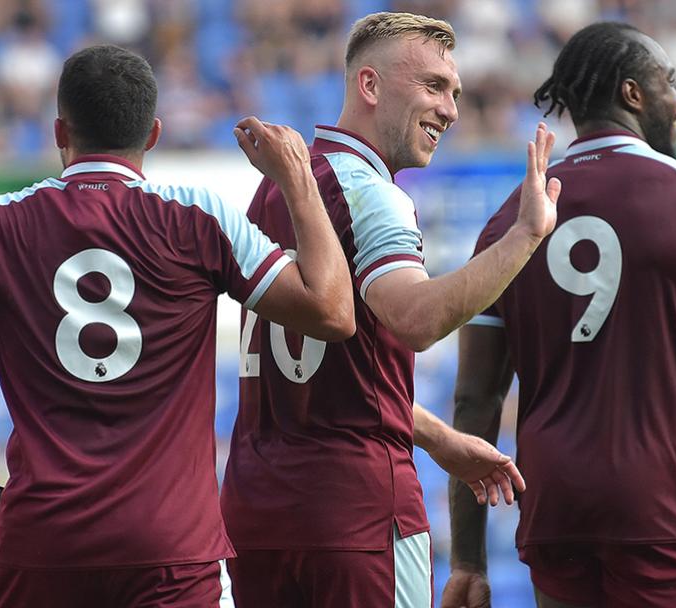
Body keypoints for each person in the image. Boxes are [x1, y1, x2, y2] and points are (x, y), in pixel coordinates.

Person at [0, 44, 354, 606]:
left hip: (41, 546)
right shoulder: (199, 218)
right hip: (172, 550)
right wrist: (297, 180)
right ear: (154, 134)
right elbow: (333, 311)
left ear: (58, 130)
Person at [220, 12, 561, 607]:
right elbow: (416, 320)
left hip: (258, 512)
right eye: (433, 86)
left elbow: (337, 370)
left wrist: (433, 435)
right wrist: (526, 235)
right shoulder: (371, 192)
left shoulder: (278, 185)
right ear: (370, 86)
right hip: (358, 512)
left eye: (454, 92)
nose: (451, 109)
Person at [443, 22, 676, 608]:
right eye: (667, 82)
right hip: (666, 511)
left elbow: (475, 401)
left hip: (555, 511)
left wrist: (468, 558)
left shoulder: (506, 223)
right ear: (632, 94)